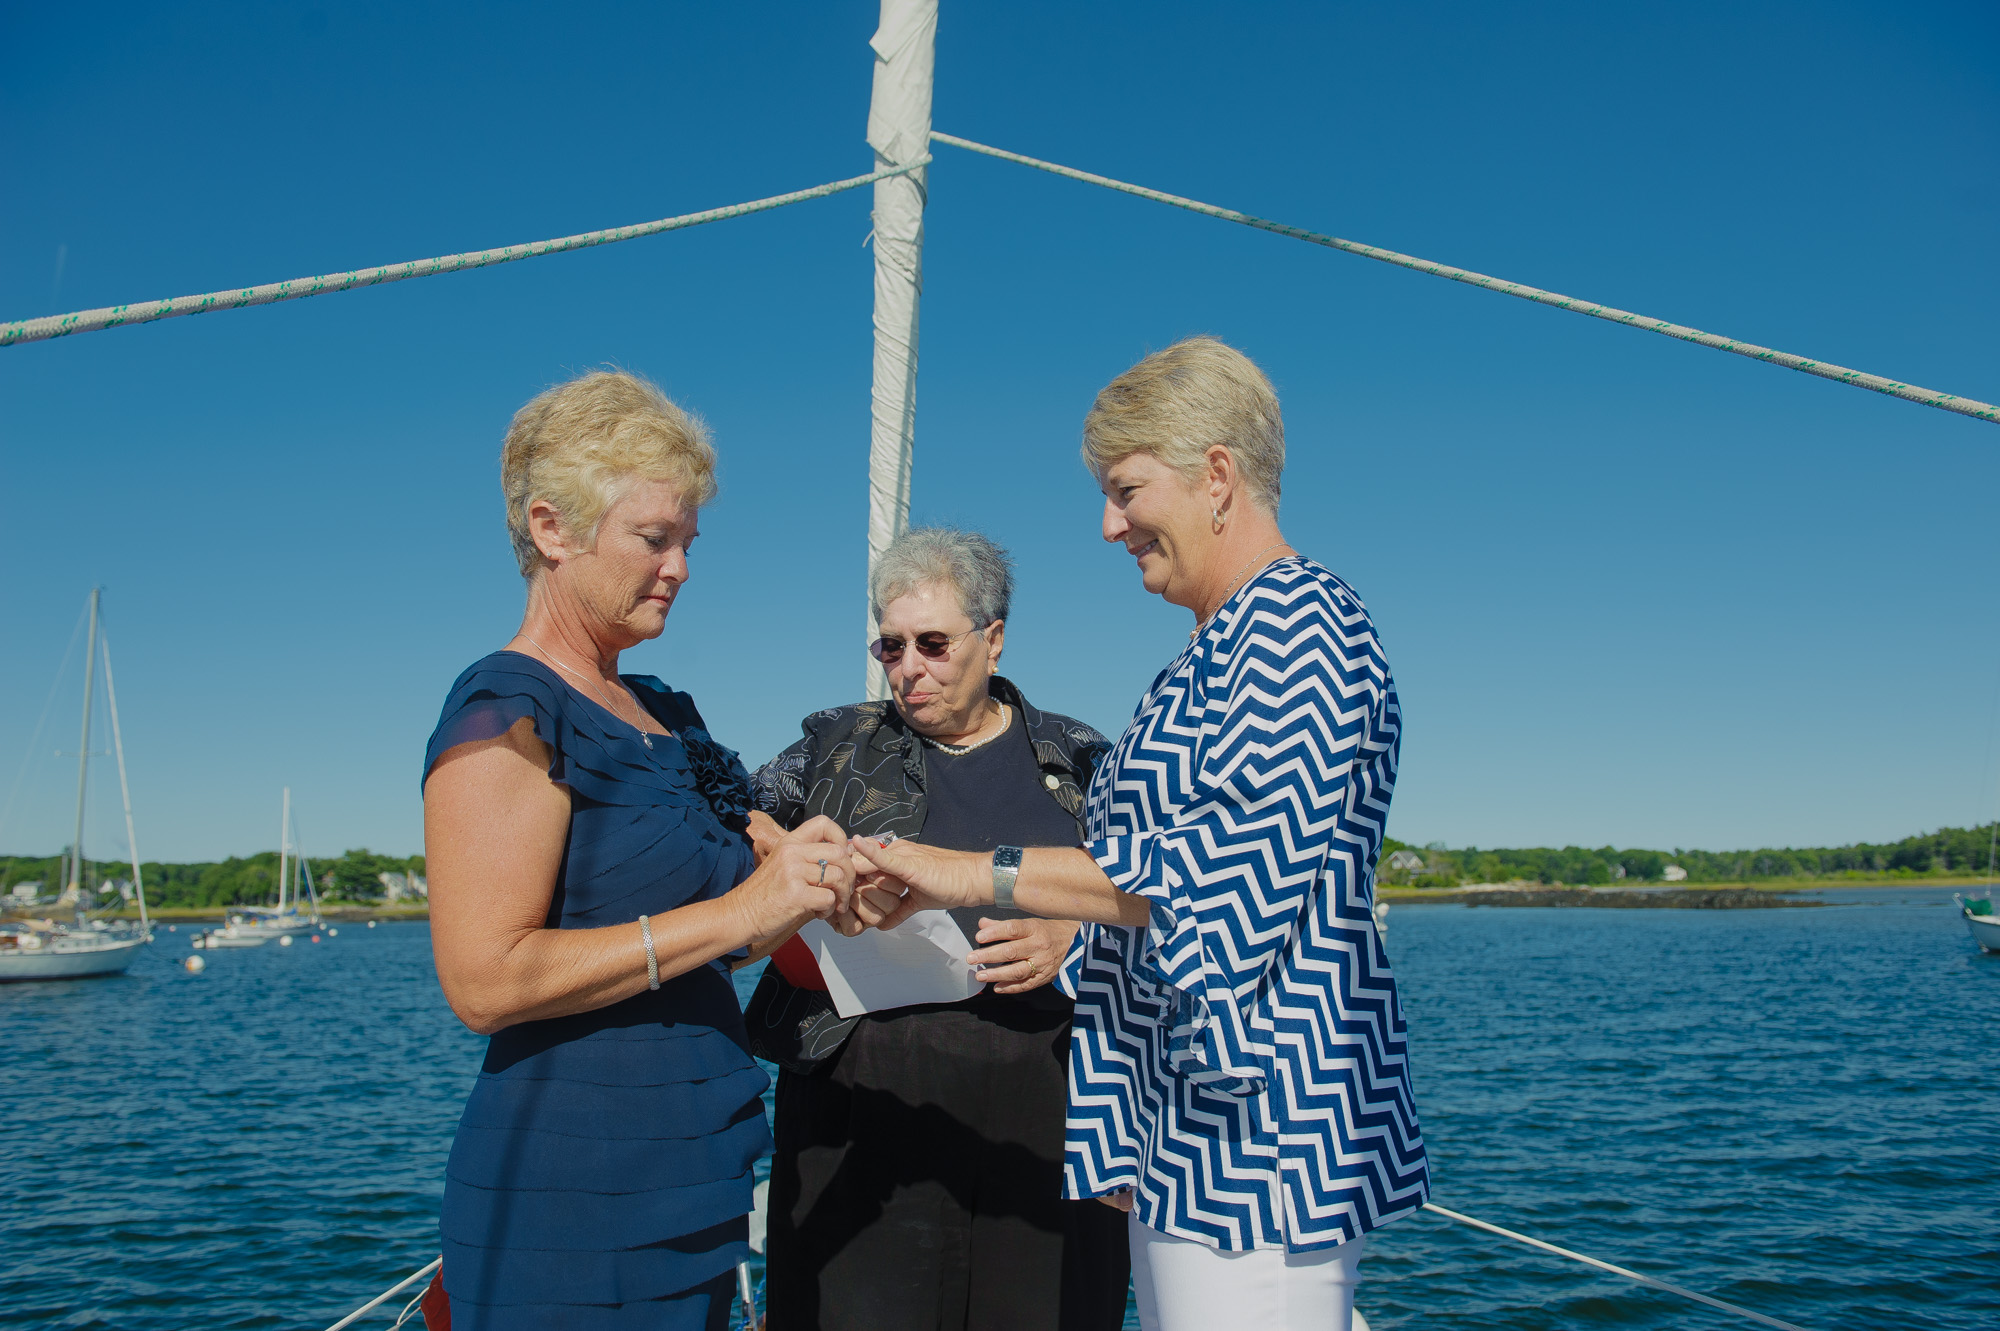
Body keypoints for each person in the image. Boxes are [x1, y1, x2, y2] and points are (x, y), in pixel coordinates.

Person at [848, 339, 1430, 1331]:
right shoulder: (1210, 650)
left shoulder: (1298, 627)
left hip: (1262, 1153)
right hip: (1190, 1140)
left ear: (1215, 475)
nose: (1108, 523)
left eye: (1124, 489)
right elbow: (1150, 888)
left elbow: (1222, 880)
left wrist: (957, 872)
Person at [422, 369, 858, 1330]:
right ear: (551, 528)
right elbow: (484, 980)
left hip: (699, 1177)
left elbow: (748, 919)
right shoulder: (509, 707)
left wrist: (822, 878)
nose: (682, 567)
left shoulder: (669, 711)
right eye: (654, 539)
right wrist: (742, 911)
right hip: (572, 1204)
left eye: (689, 543)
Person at [747, 527, 1132, 1331]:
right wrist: (782, 854)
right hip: (857, 1128)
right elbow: (718, 826)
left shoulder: (1084, 759)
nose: (908, 668)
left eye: (931, 643)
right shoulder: (830, 749)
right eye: (890, 647)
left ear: (992, 639)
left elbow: (1164, 897)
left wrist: (1072, 936)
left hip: (1047, 1132)